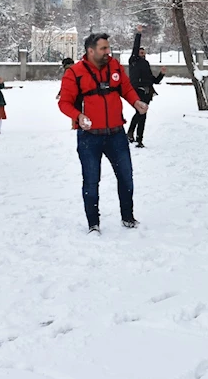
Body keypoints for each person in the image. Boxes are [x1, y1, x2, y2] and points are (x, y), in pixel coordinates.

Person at [58, 32, 148, 233]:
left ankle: (128, 217)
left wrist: (135, 102)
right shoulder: (74, 73)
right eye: (103, 48)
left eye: (108, 48)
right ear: (91, 51)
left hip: (116, 134)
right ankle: (93, 223)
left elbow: (125, 88)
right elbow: (63, 103)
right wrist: (78, 116)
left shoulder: (114, 66)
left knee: (126, 176)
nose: (108, 52)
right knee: (91, 180)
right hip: (90, 137)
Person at [126, 26, 166, 148]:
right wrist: (138, 34)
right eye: (140, 52)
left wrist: (161, 74)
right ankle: (132, 134)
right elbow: (135, 47)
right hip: (137, 90)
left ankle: (137, 138)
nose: (142, 53)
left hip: (148, 92)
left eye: (144, 52)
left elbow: (153, 80)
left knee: (142, 115)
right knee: (140, 113)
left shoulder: (146, 63)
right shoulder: (133, 60)